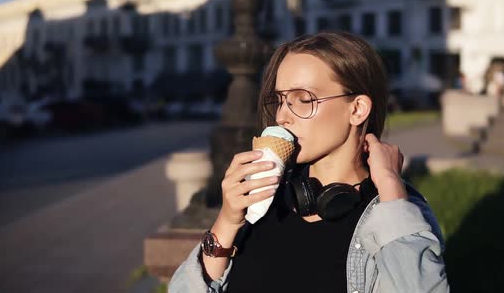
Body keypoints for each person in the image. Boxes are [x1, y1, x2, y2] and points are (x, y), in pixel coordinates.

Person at [168, 32, 449, 292]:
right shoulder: (263, 200)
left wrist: (390, 186)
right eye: (279, 100)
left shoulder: (393, 214)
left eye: (303, 99)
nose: (281, 117)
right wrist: (227, 222)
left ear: (358, 109)